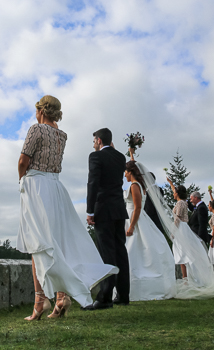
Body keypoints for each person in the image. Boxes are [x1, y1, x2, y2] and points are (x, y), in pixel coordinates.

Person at [16, 96, 117, 320]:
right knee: (58, 242)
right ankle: (61, 297)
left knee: (38, 242)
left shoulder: (36, 129)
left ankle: (40, 301)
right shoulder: (62, 135)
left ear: (41, 110)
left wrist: (21, 180)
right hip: (56, 187)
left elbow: (24, 160)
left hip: (37, 186)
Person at [83, 128, 130, 310]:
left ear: (99, 140)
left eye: (94, 140)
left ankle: (105, 298)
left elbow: (93, 182)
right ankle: (124, 295)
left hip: (103, 209)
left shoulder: (95, 157)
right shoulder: (120, 157)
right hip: (119, 209)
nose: (93, 144)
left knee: (107, 254)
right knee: (120, 251)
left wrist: (90, 211)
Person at [123, 160, 176, 301]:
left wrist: (132, 226)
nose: (124, 174)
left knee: (133, 251)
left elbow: (138, 207)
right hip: (133, 218)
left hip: (134, 219)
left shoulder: (135, 186)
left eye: (126, 172)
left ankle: (137, 287)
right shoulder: (139, 185)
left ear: (131, 172)